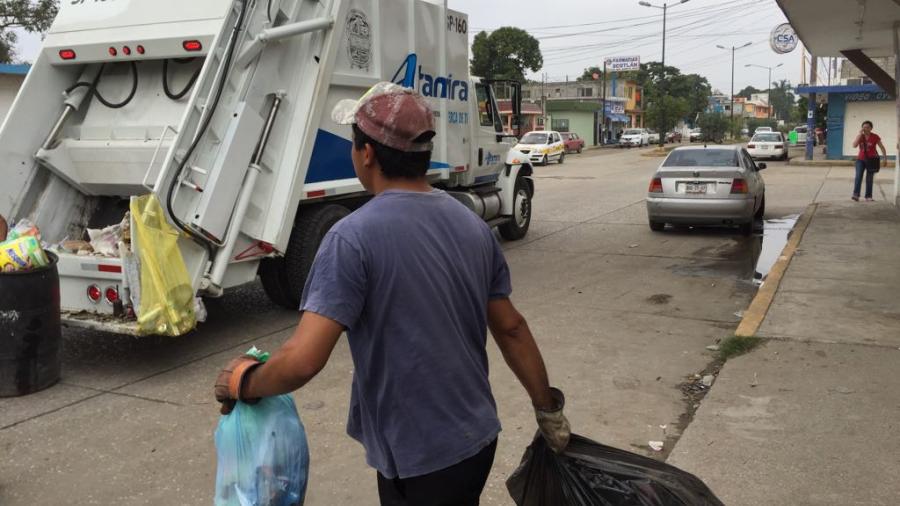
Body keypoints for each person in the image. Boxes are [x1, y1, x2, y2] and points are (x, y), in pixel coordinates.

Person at [214, 82, 570, 506]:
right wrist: (547, 408)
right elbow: (511, 328)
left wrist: (244, 382)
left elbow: (303, 359)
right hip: (476, 438)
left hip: (419, 457)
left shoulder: (352, 238)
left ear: (366, 154)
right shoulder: (471, 225)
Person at [851, 120, 888, 202]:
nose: (865, 129)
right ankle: (856, 195)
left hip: (871, 160)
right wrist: (860, 134)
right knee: (858, 177)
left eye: (867, 127)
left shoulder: (875, 137)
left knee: (869, 179)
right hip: (860, 160)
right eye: (864, 127)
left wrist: (885, 159)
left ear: (871, 128)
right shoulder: (860, 136)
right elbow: (854, 145)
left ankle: (868, 196)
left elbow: (882, 147)